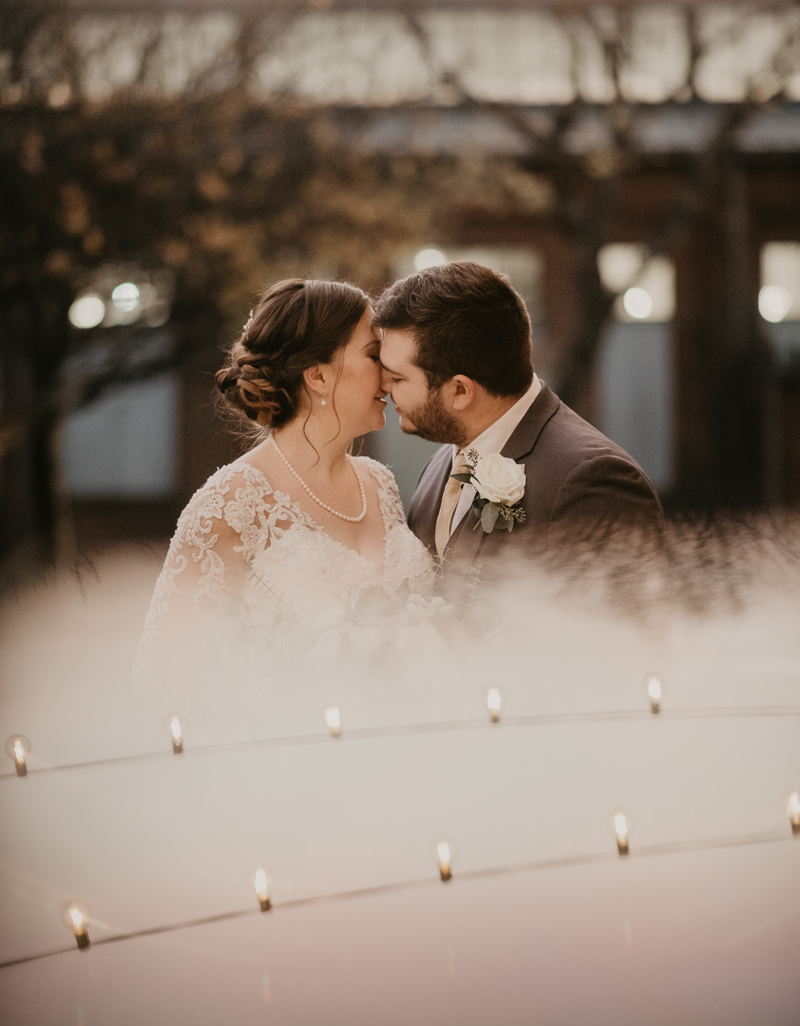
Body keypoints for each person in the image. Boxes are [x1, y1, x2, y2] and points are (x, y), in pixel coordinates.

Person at [133, 278, 444, 725]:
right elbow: (160, 674)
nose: (389, 372)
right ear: (318, 375)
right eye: (373, 355)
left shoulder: (379, 484)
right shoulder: (232, 502)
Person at [373, 260, 665, 605]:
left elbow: (624, 643)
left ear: (461, 391)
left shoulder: (594, 483)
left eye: (398, 378)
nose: (383, 386)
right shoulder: (442, 463)